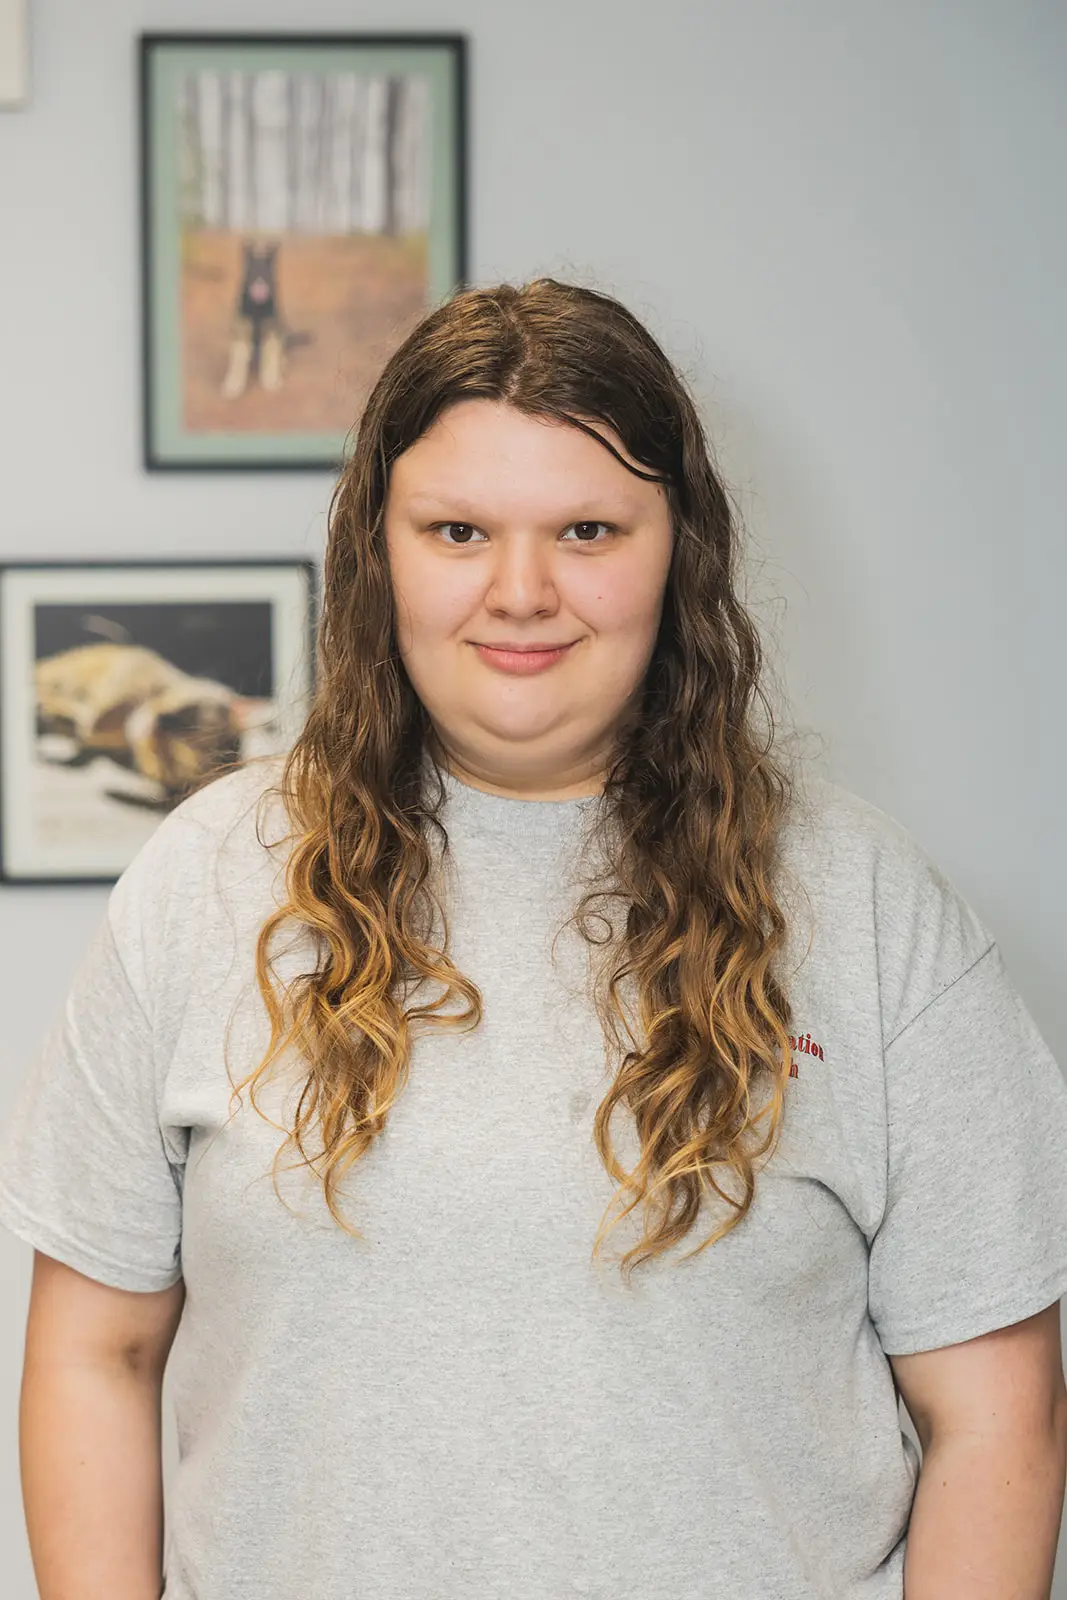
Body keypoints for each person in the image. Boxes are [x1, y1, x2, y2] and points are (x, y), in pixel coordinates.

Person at [1, 277, 1066, 1600]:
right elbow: (94, 1353)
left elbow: (996, 1415)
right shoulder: (204, 883)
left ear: (677, 548)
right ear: (375, 549)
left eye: (585, 529)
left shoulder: (867, 905)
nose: (521, 592)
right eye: (456, 530)